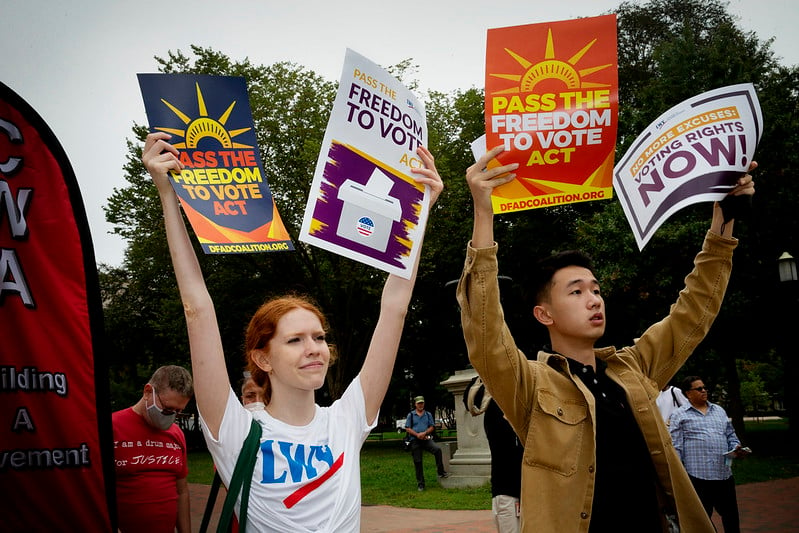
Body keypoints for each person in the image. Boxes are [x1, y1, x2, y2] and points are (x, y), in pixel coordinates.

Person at [142, 131, 442, 532]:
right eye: (295, 340)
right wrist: (167, 194)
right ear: (263, 357)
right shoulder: (235, 429)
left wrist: (419, 211)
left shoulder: (346, 419)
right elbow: (197, 307)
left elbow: (395, 307)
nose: (314, 348)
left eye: (318, 337)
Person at [456, 144, 756, 532]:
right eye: (576, 292)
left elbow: (693, 312)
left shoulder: (634, 367)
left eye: (596, 290)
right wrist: (483, 211)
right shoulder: (530, 383)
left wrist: (723, 223)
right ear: (544, 314)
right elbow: (485, 332)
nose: (594, 299)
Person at [112, 365, 194, 533]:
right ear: (148, 392)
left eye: (178, 412)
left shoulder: (176, 434)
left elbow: (182, 491)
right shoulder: (112, 427)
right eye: (167, 409)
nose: (171, 416)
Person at [669, 376, 750, 533]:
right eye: (699, 389)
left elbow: (731, 436)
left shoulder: (719, 410)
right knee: (702, 521)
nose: (704, 391)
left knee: (731, 518)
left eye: (705, 387)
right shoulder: (679, 415)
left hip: (723, 475)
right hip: (698, 477)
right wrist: (680, 477)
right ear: (688, 393)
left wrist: (737, 448)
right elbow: (676, 448)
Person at [464, 376, 524, 533]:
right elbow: (470, 400)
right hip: (508, 491)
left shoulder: (525, 399)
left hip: (533, 489)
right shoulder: (492, 398)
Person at [404, 396, 449, 491]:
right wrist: (417, 435)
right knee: (418, 461)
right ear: (415, 404)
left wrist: (424, 433)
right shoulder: (411, 415)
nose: (420, 405)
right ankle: (421, 484)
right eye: (419, 403)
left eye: (422, 403)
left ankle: (440, 471)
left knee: (437, 450)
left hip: (425, 438)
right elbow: (407, 428)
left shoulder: (428, 414)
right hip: (415, 440)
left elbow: (432, 426)